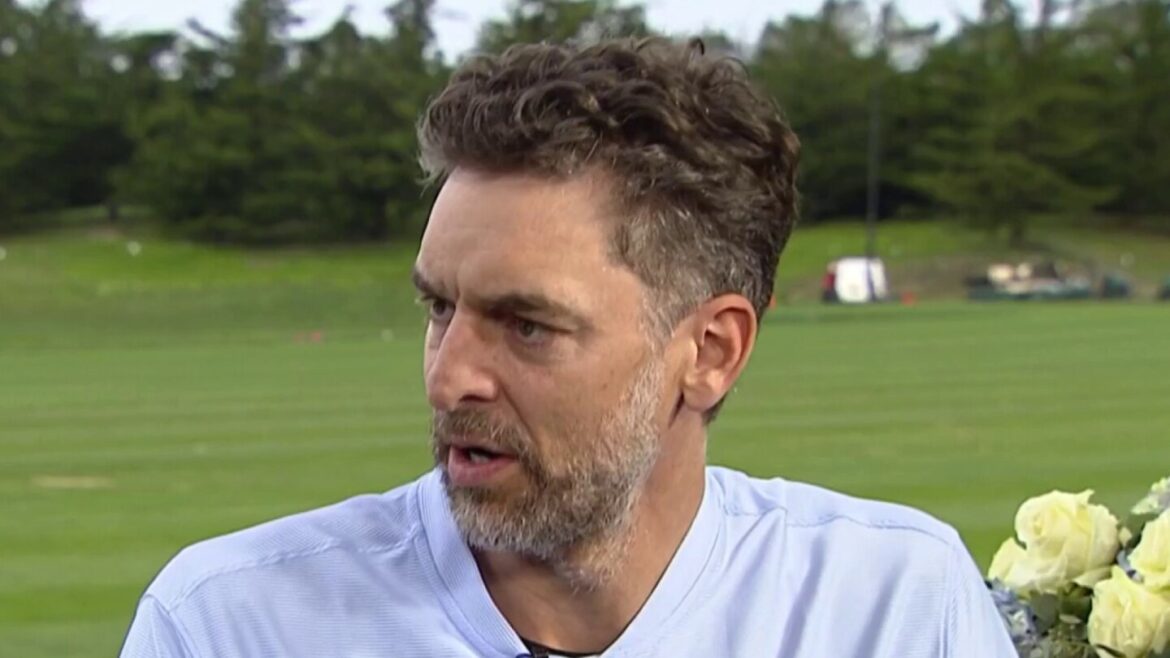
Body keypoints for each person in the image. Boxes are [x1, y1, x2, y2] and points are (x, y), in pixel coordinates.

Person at [121, 37, 1016, 657]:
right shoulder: (230, 624)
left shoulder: (892, 606)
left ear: (710, 351)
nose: (448, 378)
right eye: (439, 307)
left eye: (527, 325)